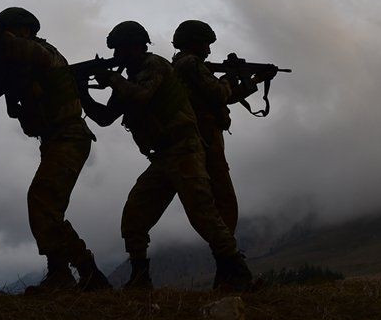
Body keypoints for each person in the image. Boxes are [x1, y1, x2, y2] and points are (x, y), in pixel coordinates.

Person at [78, 21, 253, 291]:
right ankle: (140, 277)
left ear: (137, 47)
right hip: (162, 157)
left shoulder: (155, 65)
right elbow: (104, 118)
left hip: (184, 150)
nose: (118, 57)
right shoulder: (130, 79)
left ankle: (237, 272)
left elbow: (143, 95)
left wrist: (110, 78)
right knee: (134, 217)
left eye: (121, 50)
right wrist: (82, 93)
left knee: (203, 214)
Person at [0, 6, 112, 293]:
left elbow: (23, 51)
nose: (8, 36)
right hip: (53, 140)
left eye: (10, 30)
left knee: (41, 200)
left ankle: (71, 272)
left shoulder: (45, 53)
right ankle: (80, 274)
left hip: (70, 136)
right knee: (47, 207)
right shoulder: (12, 61)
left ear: (24, 30)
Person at [170, 20, 270, 234]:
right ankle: (228, 252)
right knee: (223, 195)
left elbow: (221, 98)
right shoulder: (190, 64)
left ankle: (226, 249)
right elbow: (219, 93)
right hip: (204, 136)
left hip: (201, 136)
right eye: (205, 44)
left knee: (214, 195)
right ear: (194, 42)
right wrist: (229, 78)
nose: (208, 50)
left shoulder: (183, 65)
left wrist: (254, 80)